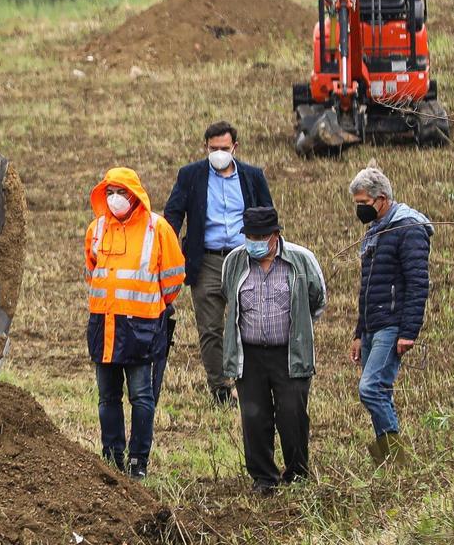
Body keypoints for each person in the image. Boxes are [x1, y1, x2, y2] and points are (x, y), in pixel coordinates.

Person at [161, 122, 277, 405]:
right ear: (205, 148)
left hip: (245, 259)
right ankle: (221, 389)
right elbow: (173, 214)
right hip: (207, 261)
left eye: (224, 149)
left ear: (235, 148)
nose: (219, 153)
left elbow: (269, 215)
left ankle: (249, 382)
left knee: (251, 325)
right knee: (211, 329)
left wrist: (271, 254)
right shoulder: (190, 176)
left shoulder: (252, 176)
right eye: (214, 149)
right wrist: (166, 247)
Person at [85, 166, 186, 477]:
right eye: (110, 192)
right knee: (107, 397)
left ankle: (138, 461)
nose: (116, 199)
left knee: (142, 397)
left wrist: (148, 307)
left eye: (122, 192)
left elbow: (173, 280)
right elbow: (92, 272)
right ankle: (112, 457)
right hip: (105, 325)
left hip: (141, 328)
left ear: (135, 195)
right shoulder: (97, 229)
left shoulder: (158, 229)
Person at [219, 205, 326, 494]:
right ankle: (263, 478)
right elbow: (228, 294)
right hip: (250, 354)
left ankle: (297, 473)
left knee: (292, 415)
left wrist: (300, 326)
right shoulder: (235, 261)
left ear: (275, 235)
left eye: (260, 236)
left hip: (289, 352)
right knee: (254, 417)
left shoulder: (301, 260)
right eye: (249, 236)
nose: (253, 242)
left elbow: (316, 299)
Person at [346, 165, 430, 465]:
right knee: (379, 391)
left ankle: (397, 458)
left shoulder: (407, 229)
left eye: (363, 204)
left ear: (381, 199)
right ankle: (390, 461)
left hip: (392, 325)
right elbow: (368, 287)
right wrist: (359, 332)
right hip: (373, 325)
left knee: (370, 389)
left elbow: (418, 282)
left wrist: (409, 331)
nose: (359, 210)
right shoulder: (376, 231)